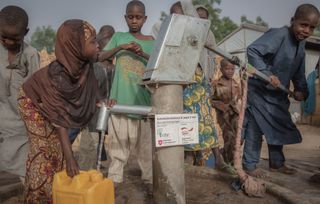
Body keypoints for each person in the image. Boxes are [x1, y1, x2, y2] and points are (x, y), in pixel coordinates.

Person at [18, 19, 100, 202]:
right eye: (93, 42)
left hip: (53, 108)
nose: (98, 45)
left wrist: (101, 100)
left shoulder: (83, 65)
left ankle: (57, 196)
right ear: (75, 45)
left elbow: (92, 89)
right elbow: (60, 118)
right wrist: (71, 157)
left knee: (58, 152)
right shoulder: (58, 76)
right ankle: (36, 198)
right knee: (44, 153)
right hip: (32, 102)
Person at [242, 4, 320, 178]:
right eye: (303, 25)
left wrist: (301, 90)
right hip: (260, 93)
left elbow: (299, 74)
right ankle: (249, 165)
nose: (306, 30)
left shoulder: (301, 46)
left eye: (312, 27)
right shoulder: (279, 34)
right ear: (293, 21)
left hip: (277, 96)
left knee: (276, 128)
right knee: (256, 128)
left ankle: (277, 164)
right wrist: (268, 73)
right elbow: (253, 51)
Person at [98, 0, 154, 185]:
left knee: (146, 148)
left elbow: (158, 66)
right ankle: (114, 180)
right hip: (119, 101)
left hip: (144, 103)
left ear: (145, 19)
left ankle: (148, 180)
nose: (134, 21)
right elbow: (101, 56)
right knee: (117, 146)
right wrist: (121, 47)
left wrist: (142, 54)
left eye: (138, 17)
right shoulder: (119, 37)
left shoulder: (152, 42)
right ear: (125, 18)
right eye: (131, 17)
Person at [0, 6, 40, 178]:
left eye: (14, 38)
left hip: (20, 124)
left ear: (26, 32)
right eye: (4, 37)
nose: (8, 42)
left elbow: (35, 89)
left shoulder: (30, 55)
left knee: (24, 168)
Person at [77, 25, 115, 170]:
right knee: (91, 141)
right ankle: (88, 168)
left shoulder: (115, 69)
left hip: (109, 109)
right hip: (93, 111)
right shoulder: (93, 67)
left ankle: (97, 163)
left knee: (99, 139)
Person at [211, 59, 241, 164]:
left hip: (235, 113)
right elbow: (210, 100)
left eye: (232, 69)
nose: (230, 71)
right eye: (227, 68)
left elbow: (239, 98)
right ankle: (230, 161)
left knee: (238, 137)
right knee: (228, 137)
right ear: (221, 69)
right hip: (224, 115)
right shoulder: (216, 84)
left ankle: (228, 154)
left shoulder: (236, 83)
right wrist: (222, 106)